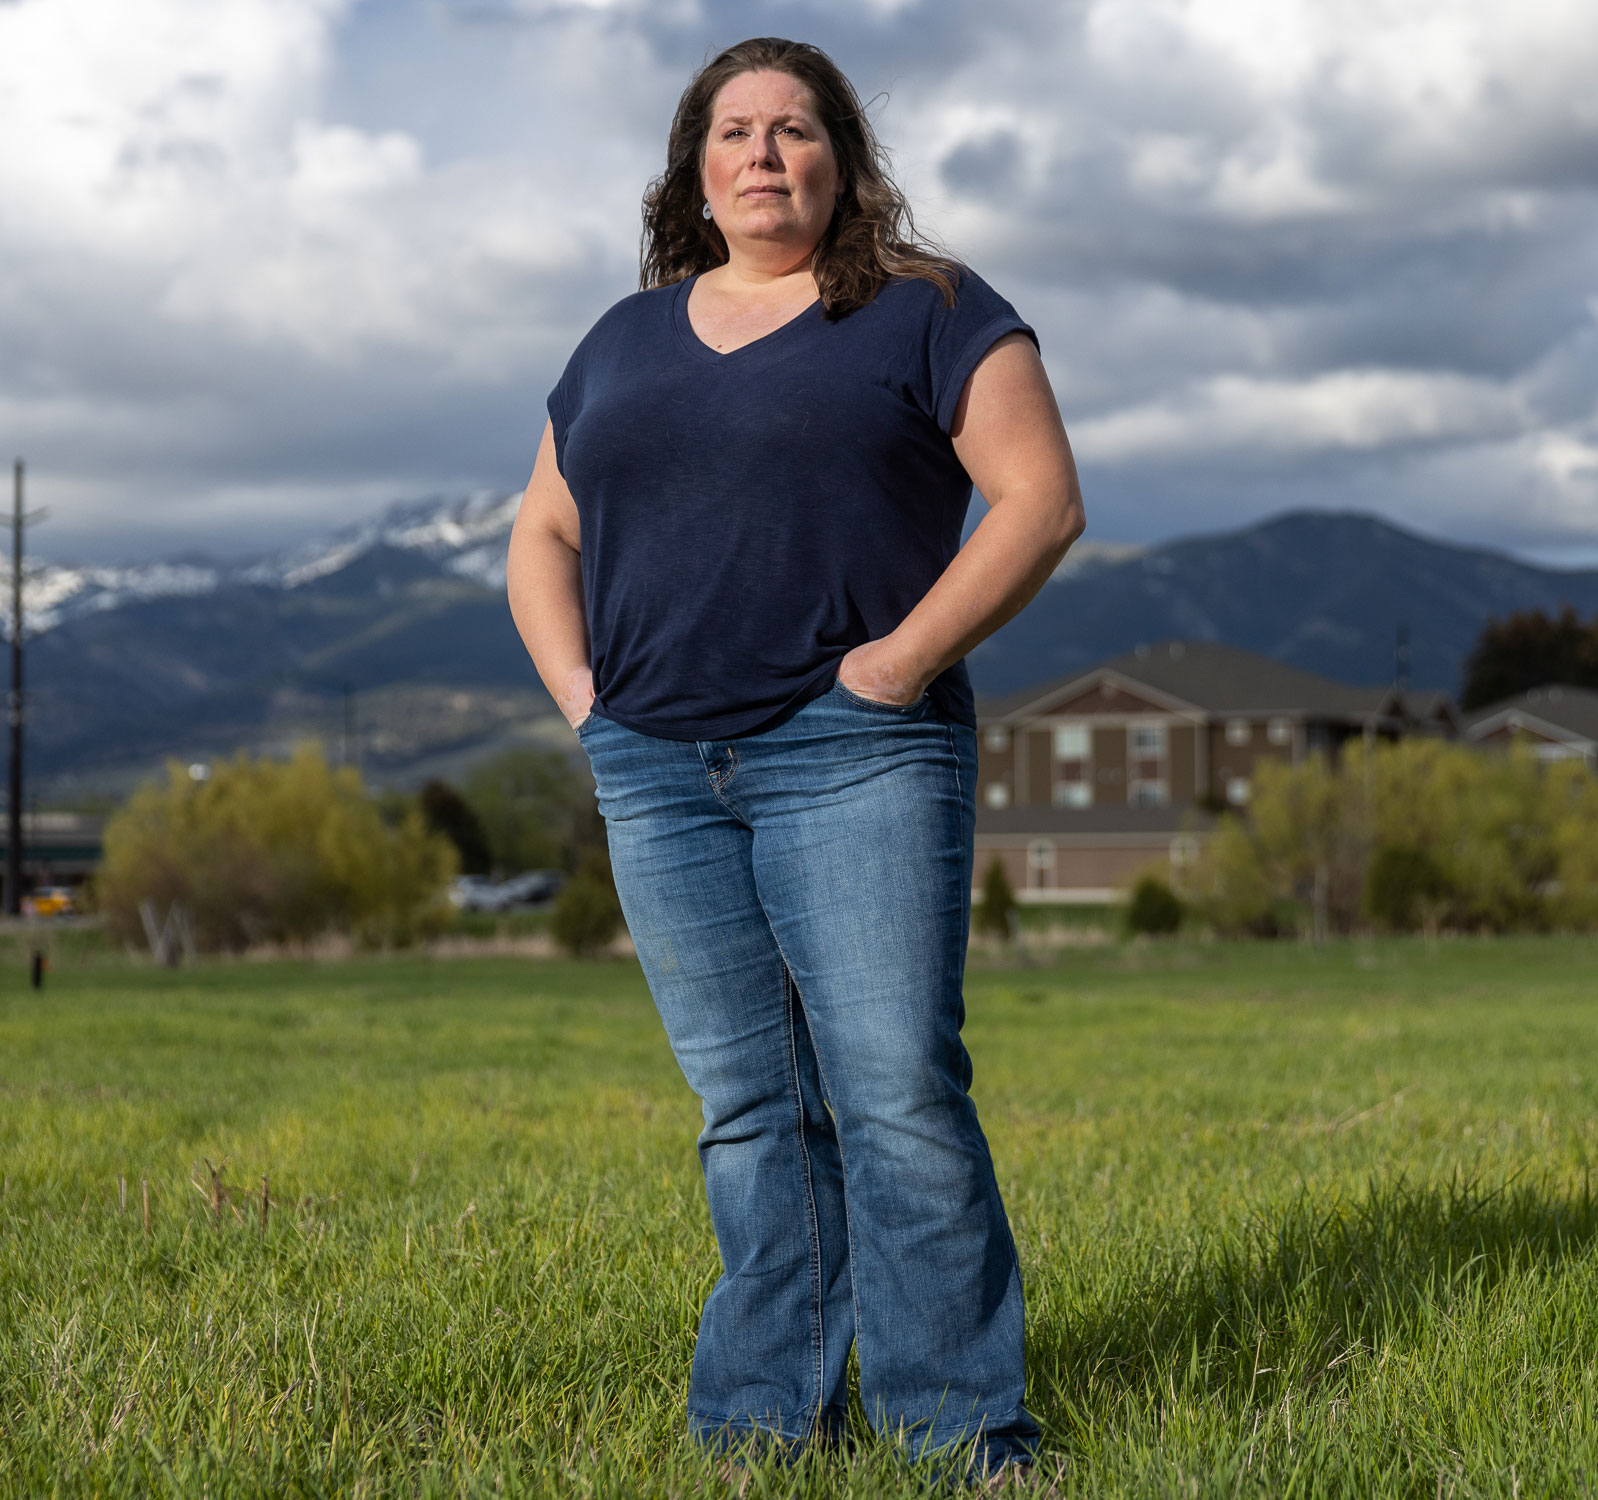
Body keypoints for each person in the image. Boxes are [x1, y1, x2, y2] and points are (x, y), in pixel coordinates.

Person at [505, 36, 1083, 1486]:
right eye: (735, 130)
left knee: (892, 1093)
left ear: (842, 163)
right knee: (750, 1110)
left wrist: (894, 666)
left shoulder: (927, 311)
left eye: (796, 130)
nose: (764, 152)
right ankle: (762, 1424)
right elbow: (541, 534)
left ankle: (959, 1434)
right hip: (652, 764)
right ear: (694, 171)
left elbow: (1038, 501)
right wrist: (584, 698)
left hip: (853, 755)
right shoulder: (619, 342)